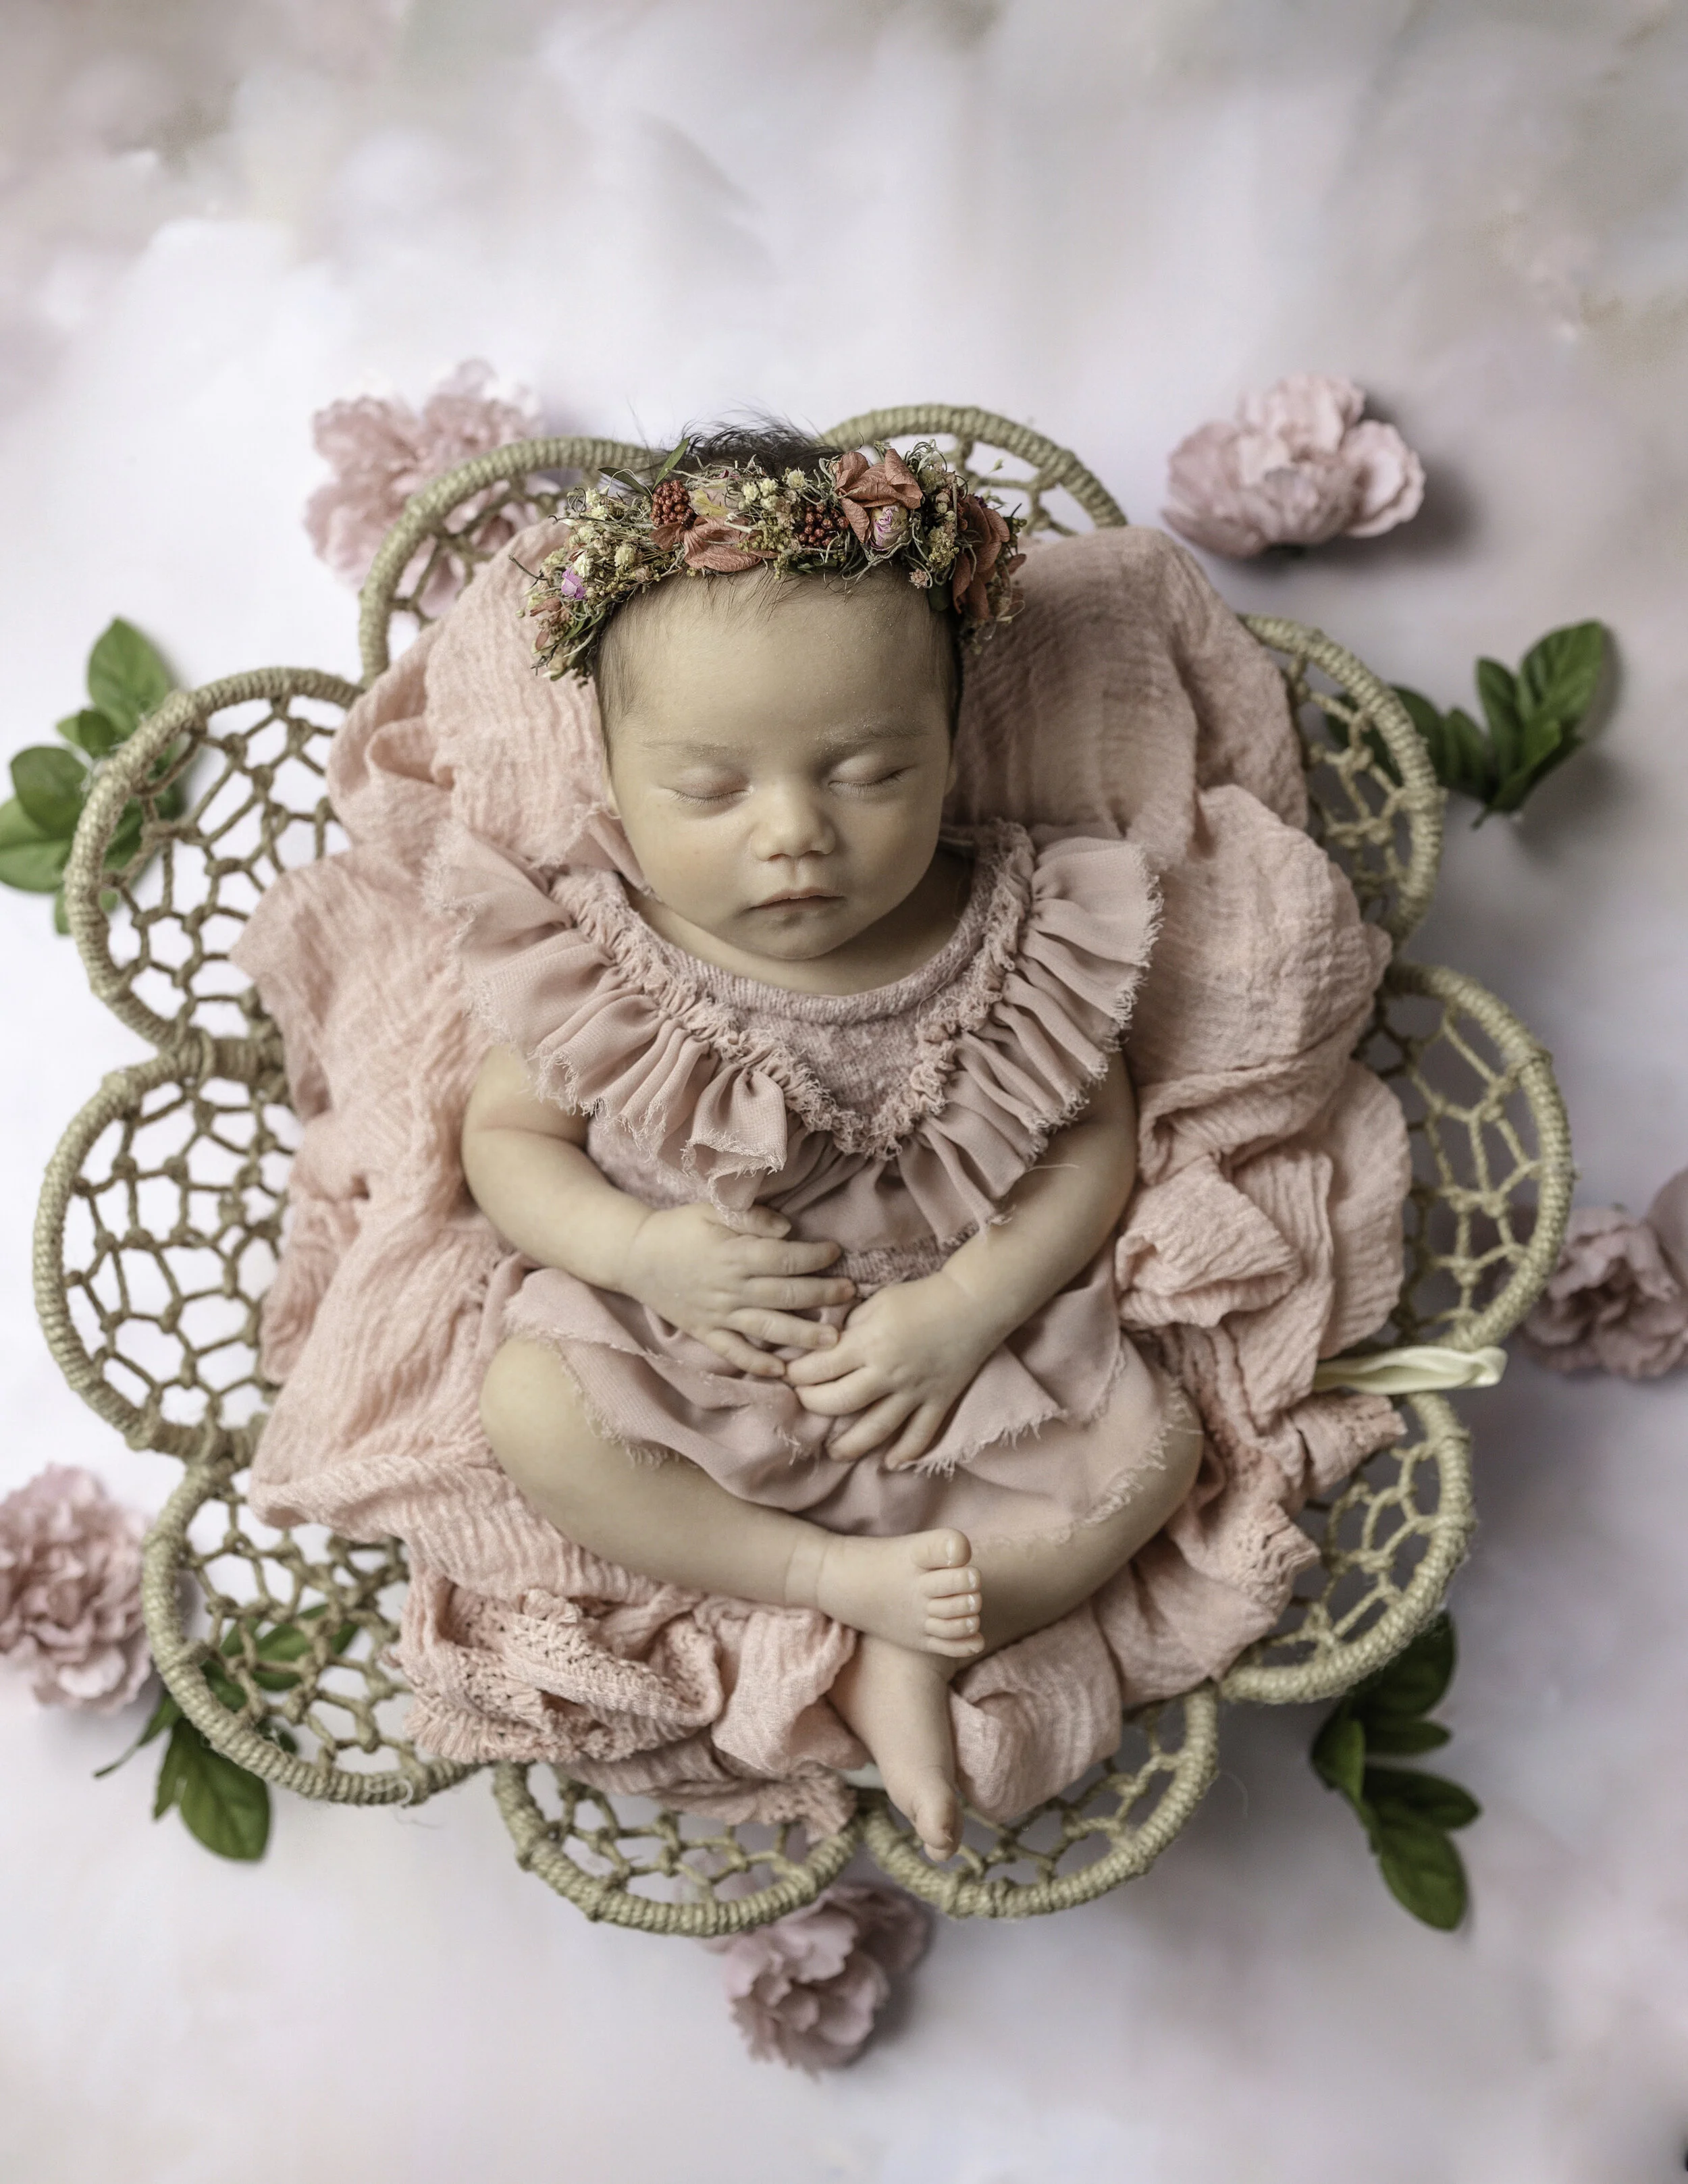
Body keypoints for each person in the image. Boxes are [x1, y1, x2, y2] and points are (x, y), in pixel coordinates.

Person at [447, 427, 1203, 1860]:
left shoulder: (1018, 930)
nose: (793, 834)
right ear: (611, 776)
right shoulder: (597, 951)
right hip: (686, 1361)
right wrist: (640, 1250)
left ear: (949, 750)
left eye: (865, 770)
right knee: (533, 1409)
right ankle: (823, 1578)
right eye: (711, 789)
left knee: (1158, 1450)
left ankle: (912, 1640)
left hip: (955, 1362)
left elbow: (1090, 1142)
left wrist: (968, 1309)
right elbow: (505, 1136)